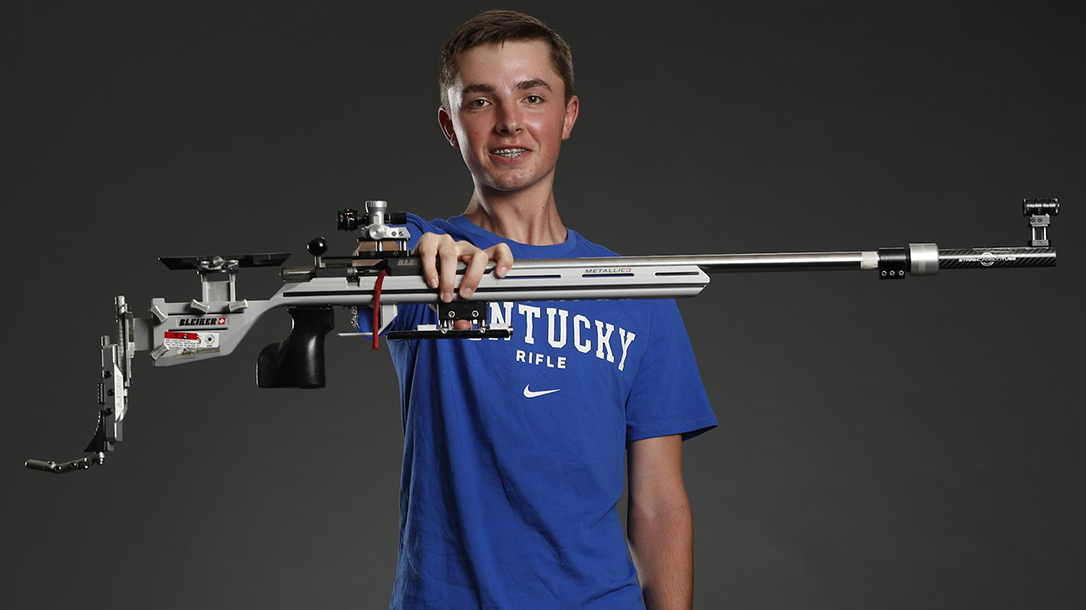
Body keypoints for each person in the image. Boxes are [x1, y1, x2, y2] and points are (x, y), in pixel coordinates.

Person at [378, 10, 718, 609]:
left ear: (568, 116)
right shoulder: (423, 266)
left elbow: (660, 504)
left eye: (532, 97)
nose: (510, 121)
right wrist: (413, 251)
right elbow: (368, 262)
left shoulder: (638, 293)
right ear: (449, 125)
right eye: (480, 101)